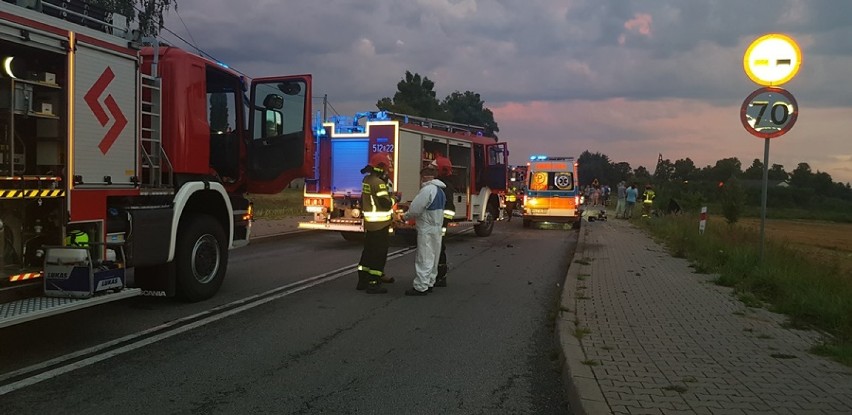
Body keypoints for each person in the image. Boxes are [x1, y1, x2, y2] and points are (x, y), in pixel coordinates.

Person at [401, 162, 446, 296]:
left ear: (425, 177)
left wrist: (405, 217)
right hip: (436, 227)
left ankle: (421, 286)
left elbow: (415, 209)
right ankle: (429, 282)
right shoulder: (440, 190)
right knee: (433, 257)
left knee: (424, 257)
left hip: (426, 227)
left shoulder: (427, 190)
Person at [356, 153, 395, 294]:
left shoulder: (367, 179)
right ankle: (374, 283)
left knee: (368, 253)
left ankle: (362, 281)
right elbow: (385, 203)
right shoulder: (379, 183)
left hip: (370, 224)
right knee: (379, 255)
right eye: (386, 167)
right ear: (381, 167)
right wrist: (395, 199)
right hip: (380, 225)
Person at [435, 156, 455, 287]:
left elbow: (448, 209)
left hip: (439, 224)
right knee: (438, 249)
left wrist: (441, 222)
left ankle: (440, 276)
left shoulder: (442, 187)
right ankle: (439, 276)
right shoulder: (444, 185)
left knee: (438, 249)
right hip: (439, 223)